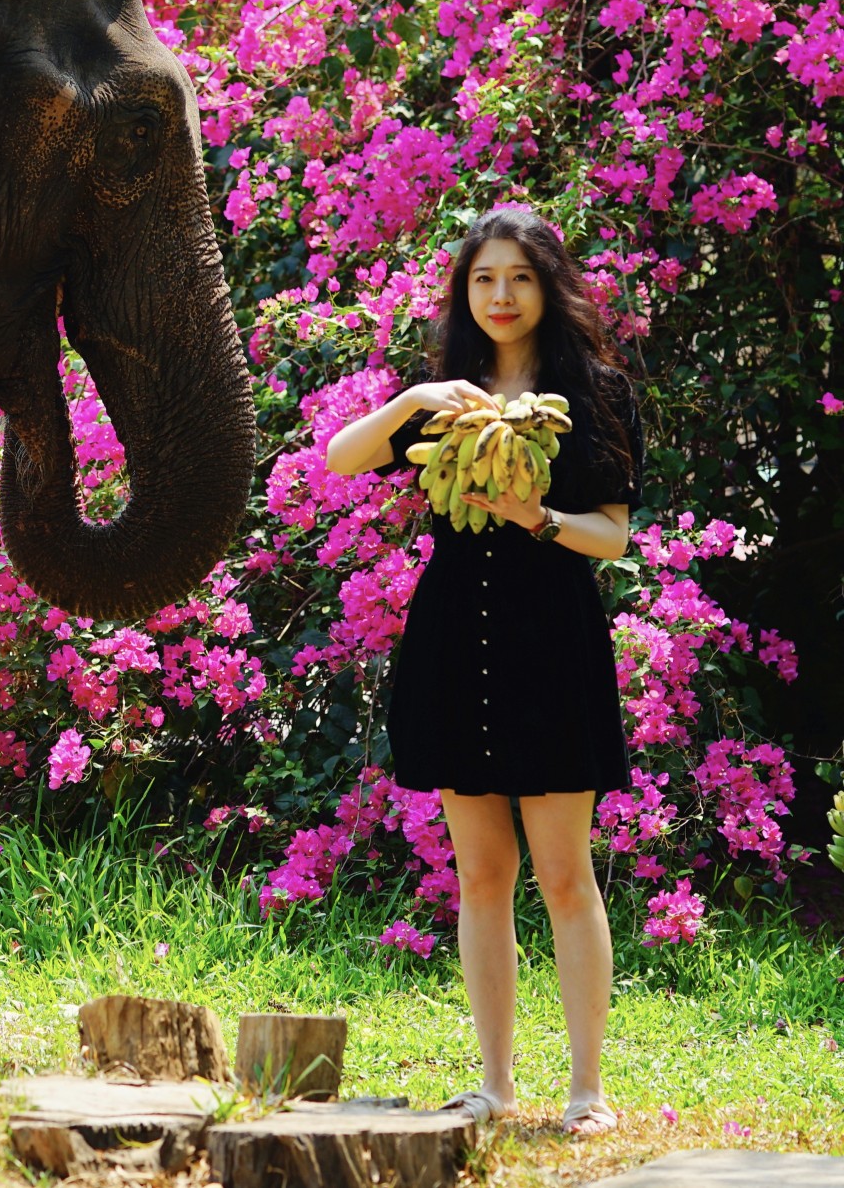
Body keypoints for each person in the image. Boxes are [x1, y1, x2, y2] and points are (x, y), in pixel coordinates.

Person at [325, 206, 642, 1138]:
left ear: (549, 286)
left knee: (564, 873)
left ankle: (587, 1092)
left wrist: (534, 515)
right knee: (484, 875)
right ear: (464, 293)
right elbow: (339, 461)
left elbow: (614, 537)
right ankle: (497, 1086)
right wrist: (420, 403)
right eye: (483, 279)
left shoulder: (597, 395)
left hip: (552, 638)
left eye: (520, 277)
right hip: (456, 638)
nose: (501, 296)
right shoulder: (442, 395)